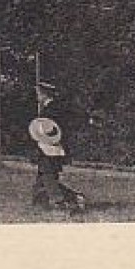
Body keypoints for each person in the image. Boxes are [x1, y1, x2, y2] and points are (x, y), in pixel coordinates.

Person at [29, 80, 86, 214]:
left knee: (48, 176)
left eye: (39, 94)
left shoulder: (52, 109)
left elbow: (53, 130)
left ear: (45, 94)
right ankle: (40, 201)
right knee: (43, 179)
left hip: (51, 148)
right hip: (51, 147)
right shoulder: (55, 107)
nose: (37, 97)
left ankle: (61, 202)